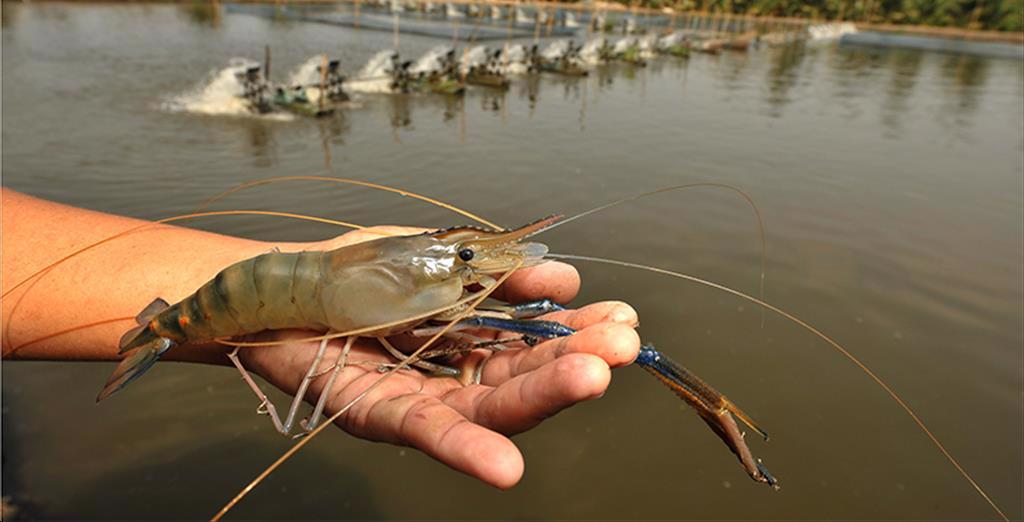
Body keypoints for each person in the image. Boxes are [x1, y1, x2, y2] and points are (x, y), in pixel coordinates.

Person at [1, 187, 640, 489]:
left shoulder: (423, 270)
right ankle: (163, 331)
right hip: (236, 300)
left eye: (463, 255)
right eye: (464, 257)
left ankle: (162, 329)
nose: (470, 265)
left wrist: (462, 268)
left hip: (271, 291)